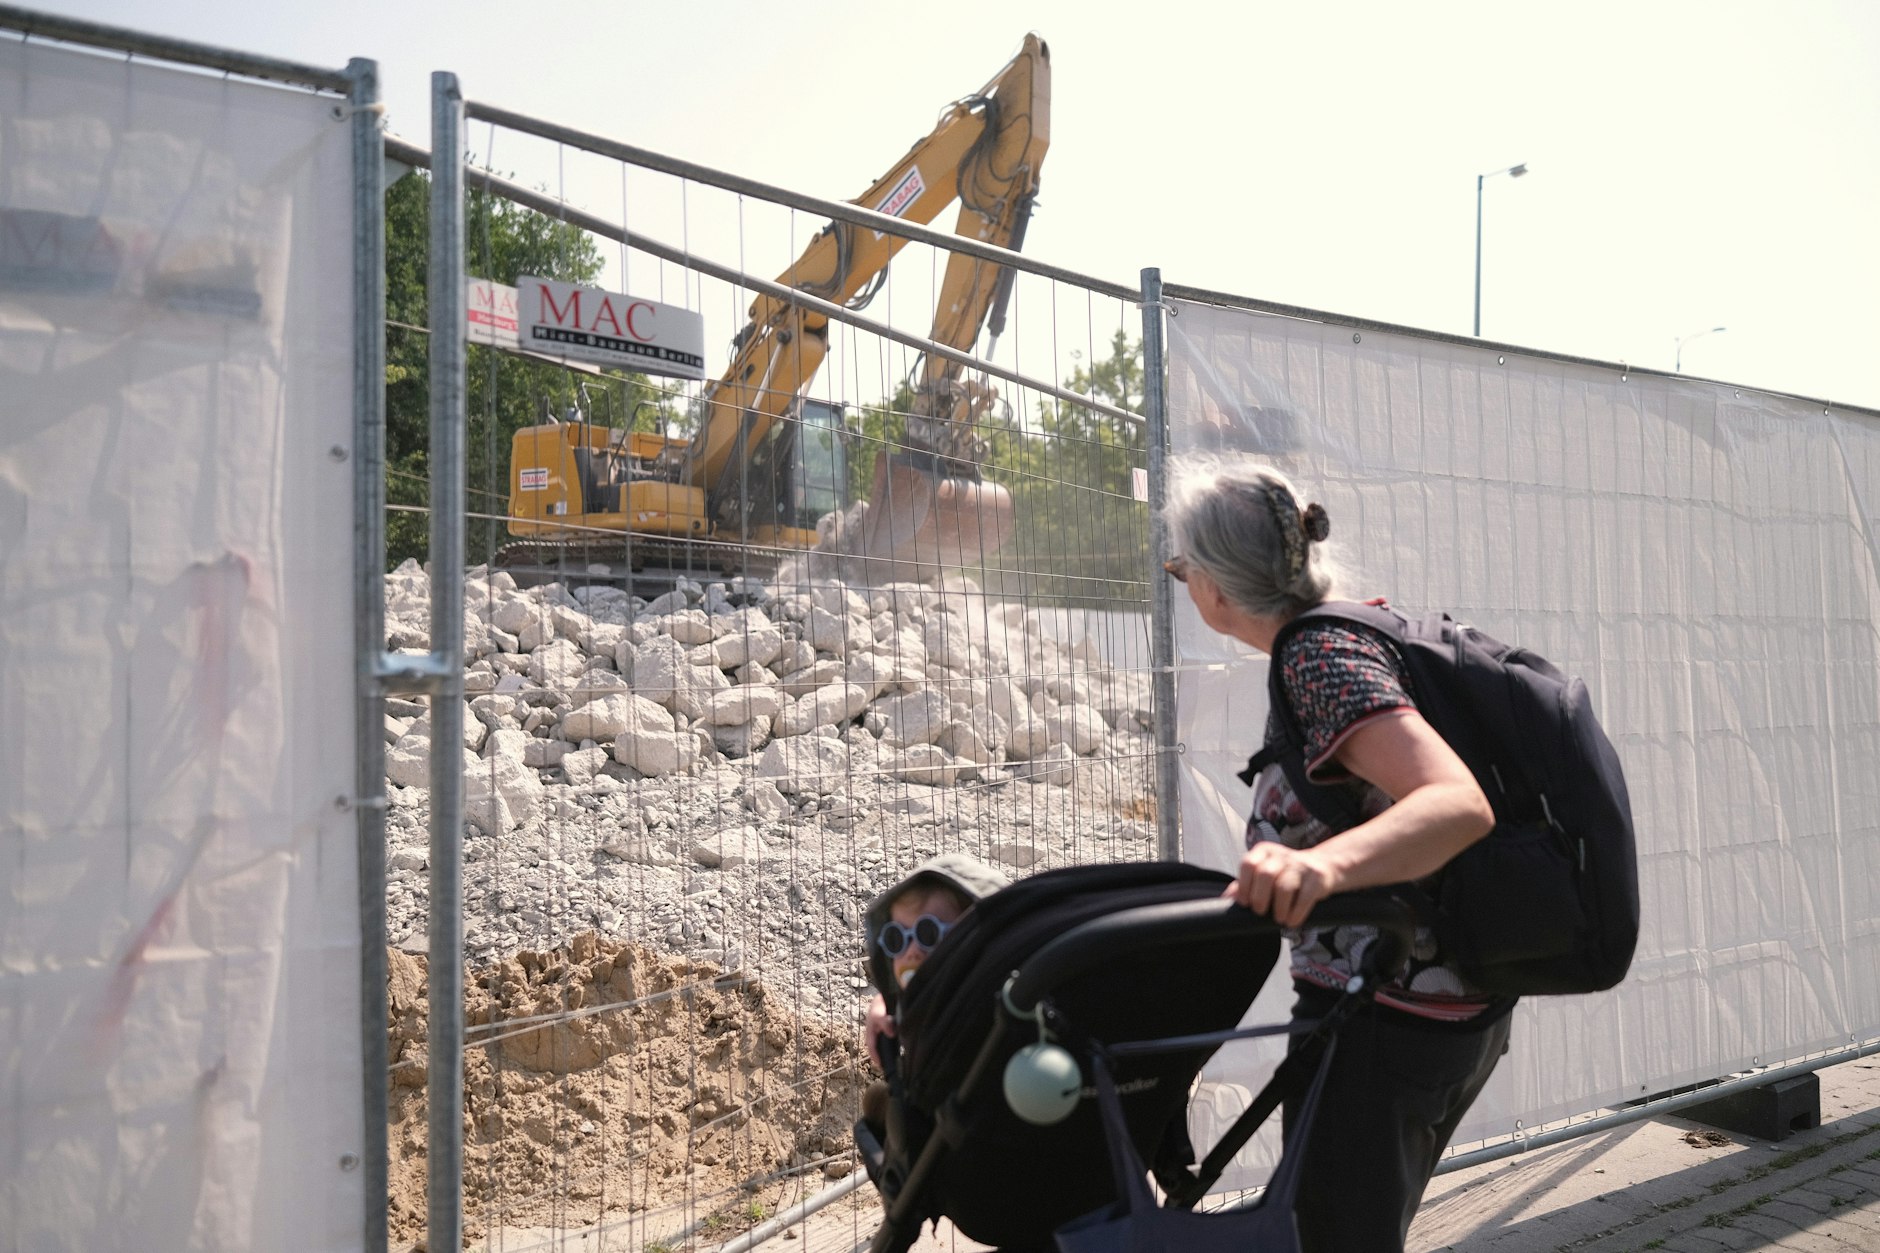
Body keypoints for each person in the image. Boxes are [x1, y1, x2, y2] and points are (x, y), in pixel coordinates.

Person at [1162, 455, 1514, 1253]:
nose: (1182, 583)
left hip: (1385, 1019)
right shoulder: (1348, 632)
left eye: (1179, 567)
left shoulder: (1319, 659)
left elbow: (1458, 804)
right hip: (1431, 1006)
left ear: (1214, 587)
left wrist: (1320, 867)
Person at [860, 852, 1010, 1126]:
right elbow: (912, 985)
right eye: (896, 939)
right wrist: (886, 1002)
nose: (912, 952)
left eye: (928, 935)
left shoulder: (995, 1007)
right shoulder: (923, 1003)